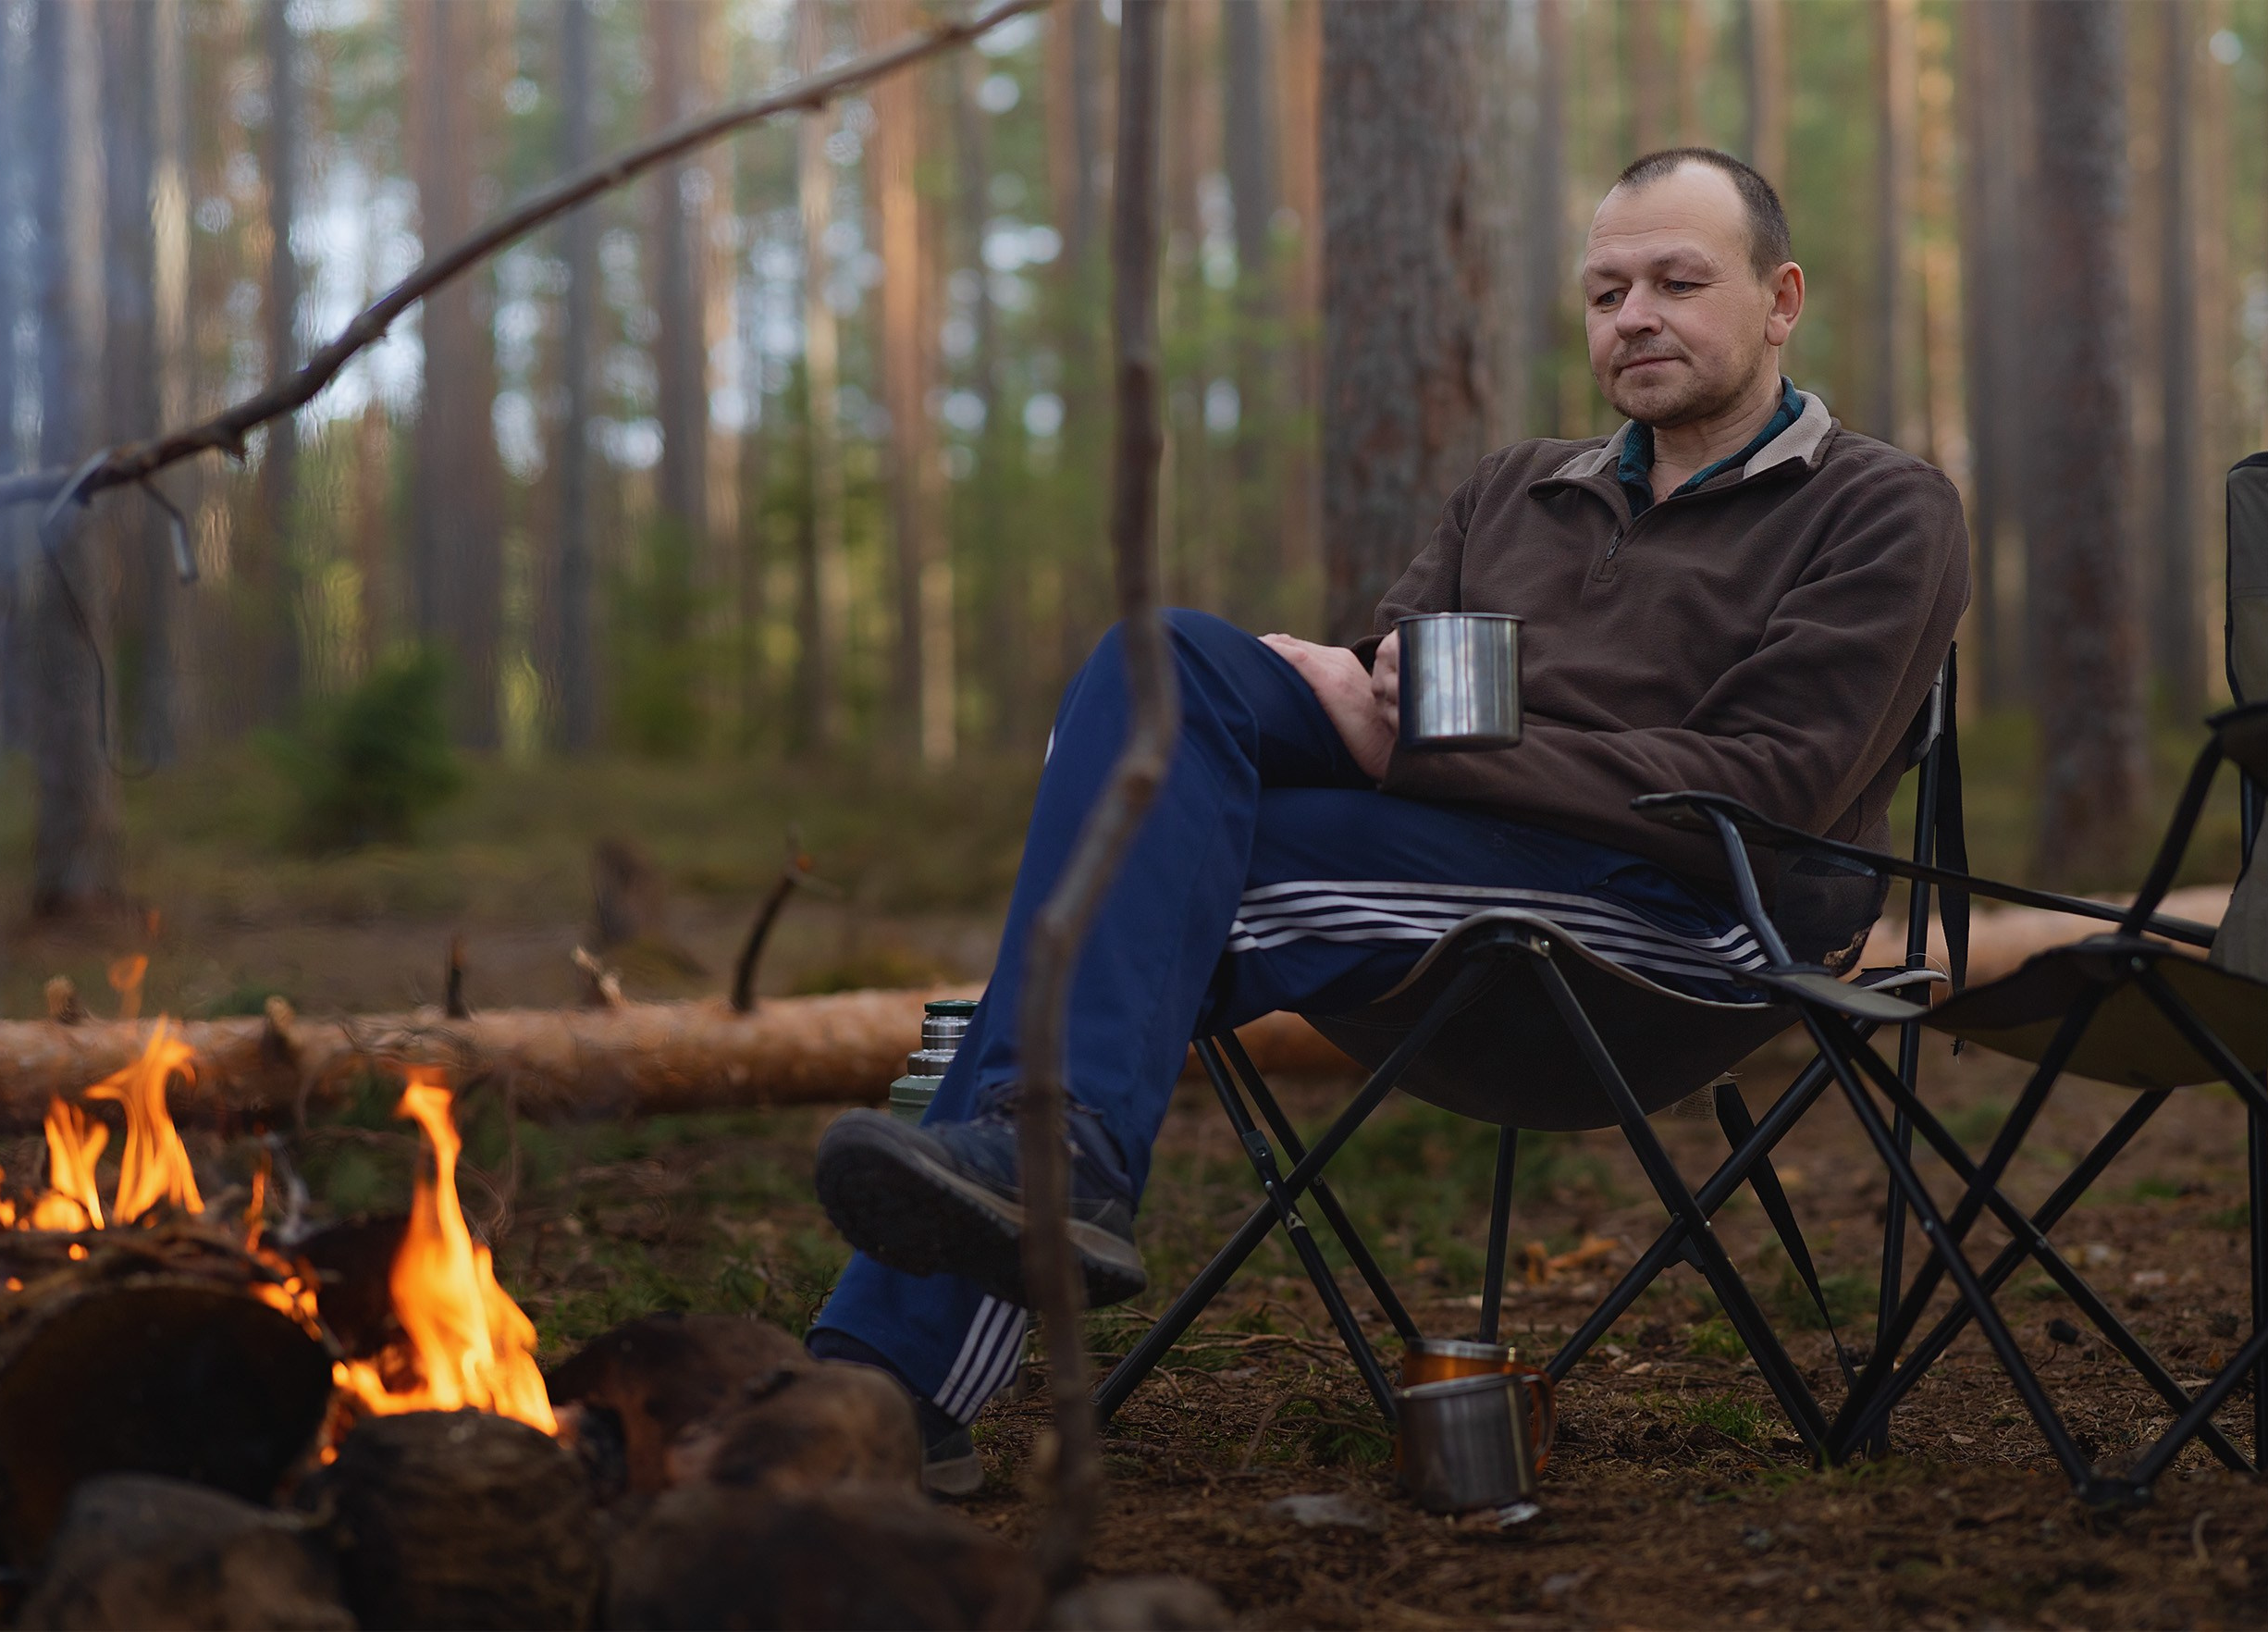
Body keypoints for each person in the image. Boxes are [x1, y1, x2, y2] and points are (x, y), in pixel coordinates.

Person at [806, 147, 1969, 1492]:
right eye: (1604, 292)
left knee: (1147, 883)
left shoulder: (1879, 507)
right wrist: (1356, 699)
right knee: (1161, 663)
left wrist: (1433, 751)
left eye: (1676, 281)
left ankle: (893, 1371)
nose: (1633, 315)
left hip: (1686, 922)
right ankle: (1037, 1155)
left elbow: (1767, 790)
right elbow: (1397, 693)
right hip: (1450, 862)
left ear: (1780, 300)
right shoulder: (1516, 487)